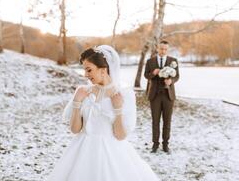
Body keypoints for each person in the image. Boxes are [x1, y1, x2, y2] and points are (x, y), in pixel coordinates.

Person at [48, 45, 160, 181]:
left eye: (89, 70)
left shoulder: (123, 94)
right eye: (84, 70)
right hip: (82, 151)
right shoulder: (84, 91)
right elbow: (75, 129)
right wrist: (77, 102)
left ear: (103, 70)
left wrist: (118, 110)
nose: (86, 75)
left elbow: (120, 136)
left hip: (112, 151)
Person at [144, 40, 179, 154]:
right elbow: (146, 75)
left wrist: (171, 80)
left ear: (167, 49)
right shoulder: (150, 61)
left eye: (165, 49)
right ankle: (155, 144)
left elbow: (177, 76)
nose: (163, 51)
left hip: (168, 95)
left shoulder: (173, 61)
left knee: (167, 121)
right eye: (161, 48)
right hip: (155, 95)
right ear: (157, 48)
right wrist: (153, 73)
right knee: (155, 121)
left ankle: (165, 145)